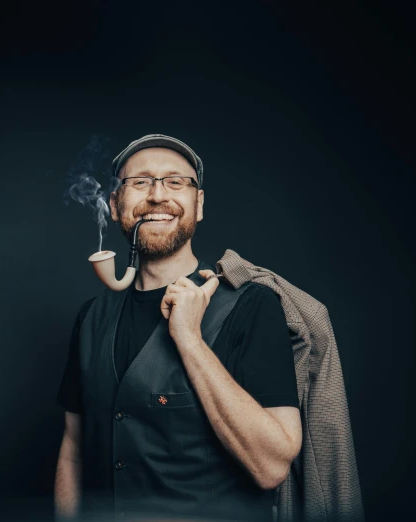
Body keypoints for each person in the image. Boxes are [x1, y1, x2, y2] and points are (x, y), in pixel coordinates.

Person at [54, 134, 302, 522]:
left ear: (198, 204)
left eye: (175, 181)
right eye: (139, 182)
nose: (157, 196)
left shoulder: (253, 305)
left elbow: (271, 467)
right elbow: (73, 449)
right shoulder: (91, 318)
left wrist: (190, 341)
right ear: (116, 206)